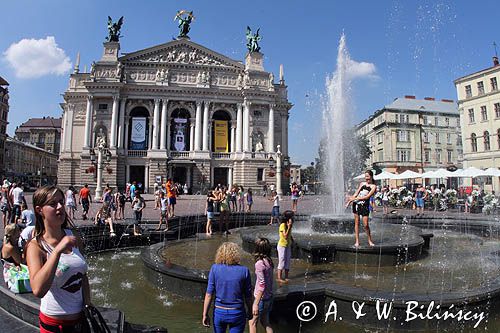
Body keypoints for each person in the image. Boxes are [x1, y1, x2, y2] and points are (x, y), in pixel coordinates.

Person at [26, 186, 91, 332]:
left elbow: (83, 276)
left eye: (61, 201)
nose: (60, 207)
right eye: (53, 204)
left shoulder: (72, 235)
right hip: (55, 325)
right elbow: (38, 290)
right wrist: (57, 251)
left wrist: (88, 304)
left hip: (81, 321)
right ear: (39, 210)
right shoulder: (35, 246)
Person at [202, 242, 253, 333]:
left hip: (219, 312)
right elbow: (248, 296)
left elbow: (209, 294)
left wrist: (204, 314)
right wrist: (250, 310)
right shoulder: (244, 271)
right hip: (237, 313)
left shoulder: (214, 269)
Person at [345, 170, 376, 248]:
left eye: (368, 176)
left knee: (366, 224)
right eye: (365, 176)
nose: (366, 178)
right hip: (356, 205)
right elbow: (356, 193)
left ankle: (369, 240)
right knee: (357, 223)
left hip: (365, 205)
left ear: (371, 176)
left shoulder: (374, 186)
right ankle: (357, 241)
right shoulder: (362, 184)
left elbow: (367, 197)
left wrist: (354, 198)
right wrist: (349, 201)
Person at [249, 238, 274, 333]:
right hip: (269, 297)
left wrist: (255, 303)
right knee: (265, 322)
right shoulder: (269, 261)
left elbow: (262, 285)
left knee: (252, 322)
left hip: (261, 300)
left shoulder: (259, 264)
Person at [276, 213, 293, 284]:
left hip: (287, 245)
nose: (292, 219)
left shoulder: (288, 225)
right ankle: (279, 278)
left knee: (287, 260)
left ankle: (286, 276)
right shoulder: (282, 225)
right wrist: (289, 227)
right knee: (282, 261)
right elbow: (285, 236)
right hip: (282, 246)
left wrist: (292, 240)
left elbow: (289, 235)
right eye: (291, 218)